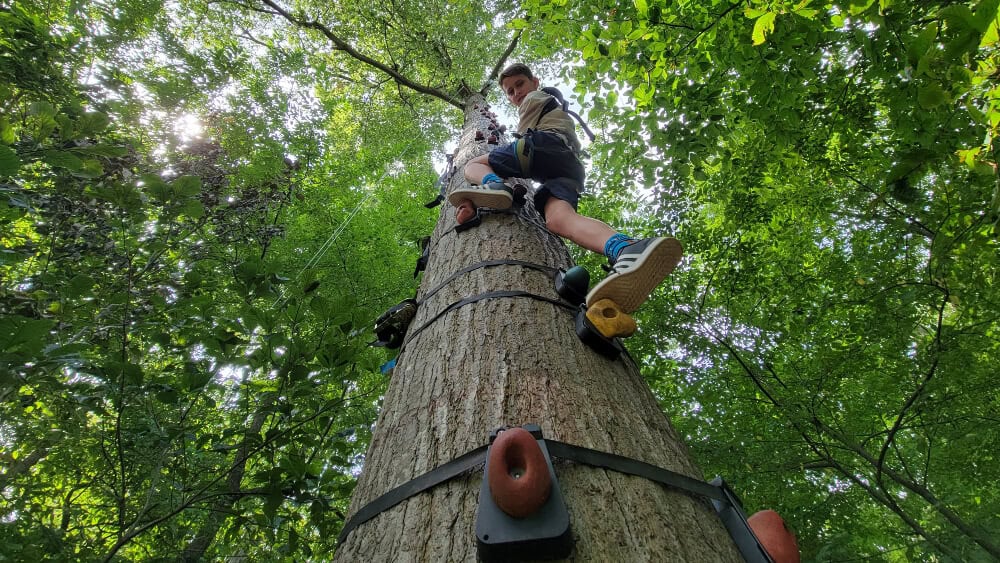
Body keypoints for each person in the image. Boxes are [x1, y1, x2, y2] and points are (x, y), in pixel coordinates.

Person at [449, 63, 681, 314]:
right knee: (559, 220)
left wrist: (505, 162)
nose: (516, 93)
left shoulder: (536, 98)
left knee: (472, 164)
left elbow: (523, 138)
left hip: (542, 145)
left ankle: (494, 185)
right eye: (510, 91)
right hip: (568, 166)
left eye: (520, 84)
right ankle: (626, 248)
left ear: (535, 82)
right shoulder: (552, 104)